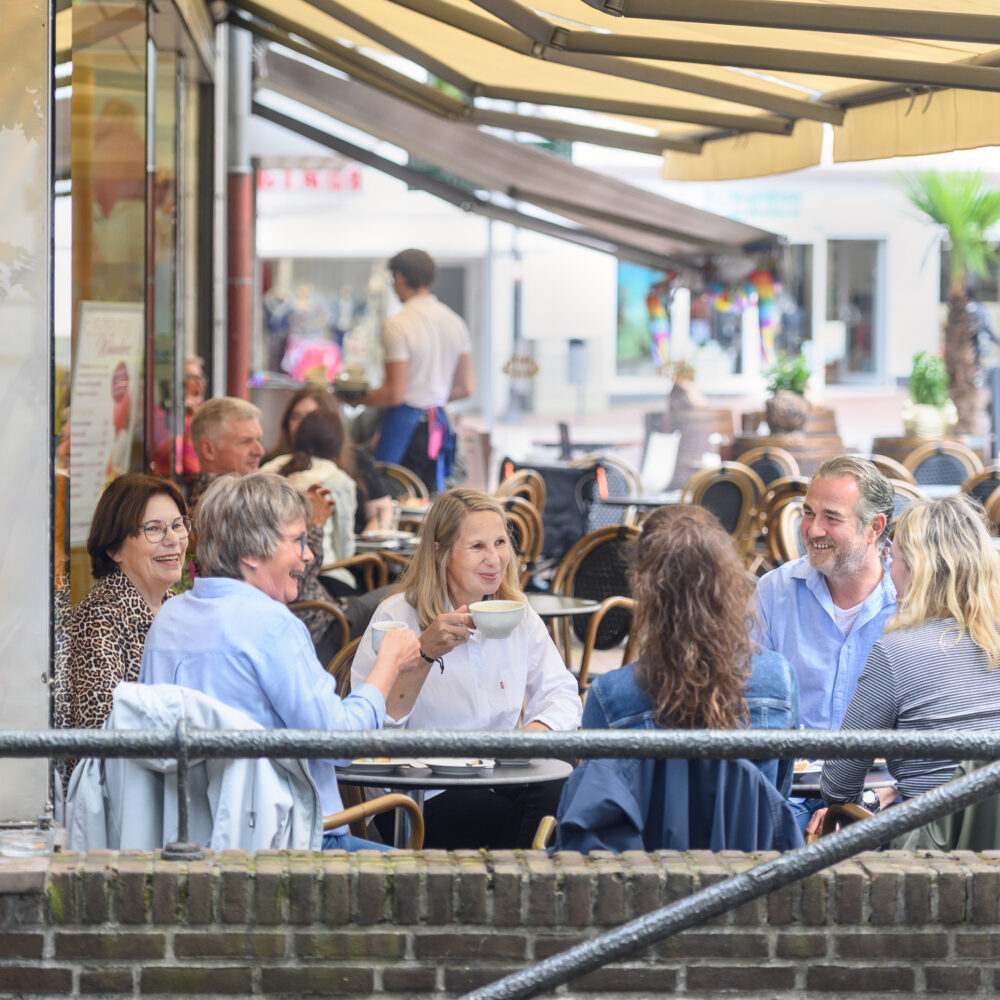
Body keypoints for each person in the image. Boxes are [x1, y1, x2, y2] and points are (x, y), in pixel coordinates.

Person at [139, 472, 421, 851]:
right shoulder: (272, 625)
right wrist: (388, 665)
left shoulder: (169, 618)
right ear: (251, 554)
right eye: (298, 540)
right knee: (435, 881)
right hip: (287, 843)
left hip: (192, 841)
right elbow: (339, 743)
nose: (308, 555)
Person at [351, 488, 581, 849]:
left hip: (499, 775)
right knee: (508, 817)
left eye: (500, 543)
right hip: (419, 789)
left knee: (563, 785)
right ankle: (516, 876)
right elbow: (373, 729)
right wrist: (424, 654)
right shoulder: (398, 617)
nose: (495, 559)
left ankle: (508, 877)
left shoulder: (516, 613)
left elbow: (562, 693)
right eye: (477, 547)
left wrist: (526, 739)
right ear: (440, 553)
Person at [578, 505, 799, 793]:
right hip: (751, 826)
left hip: (647, 827)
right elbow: (778, 798)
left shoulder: (609, 697)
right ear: (728, 579)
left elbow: (598, 804)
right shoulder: (780, 678)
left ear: (640, 584)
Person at [821, 495, 1000, 812]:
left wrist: (881, 796)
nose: (889, 572)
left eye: (894, 559)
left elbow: (837, 785)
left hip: (931, 838)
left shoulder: (896, 652)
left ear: (920, 571)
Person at [751, 455, 896, 831]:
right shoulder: (775, 591)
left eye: (831, 517)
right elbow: (744, 700)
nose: (813, 529)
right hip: (789, 795)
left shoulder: (910, 598)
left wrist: (866, 802)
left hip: (883, 795)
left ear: (874, 527)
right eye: (808, 512)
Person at [53, 475, 190, 786]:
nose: (173, 539)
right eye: (154, 529)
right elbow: (98, 733)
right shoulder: (100, 616)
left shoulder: (174, 605)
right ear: (114, 549)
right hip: (126, 795)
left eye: (177, 525)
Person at [348, 249, 474, 494]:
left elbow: (395, 393)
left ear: (400, 276)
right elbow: (465, 388)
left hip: (405, 428)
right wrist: (431, 394)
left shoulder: (398, 324)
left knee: (389, 493)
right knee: (431, 500)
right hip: (438, 426)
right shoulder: (455, 322)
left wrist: (356, 398)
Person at [267, 384, 392, 533]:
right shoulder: (271, 465)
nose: (302, 425)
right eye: (296, 417)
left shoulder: (356, 460)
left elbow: (382, 511)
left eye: (311, 417)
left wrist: (368, 541)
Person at [260, 409, 359, 581]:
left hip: (268, 571)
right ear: (338, 444)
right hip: (323, 572)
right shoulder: (339, 481)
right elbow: (344, 549)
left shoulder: (267, 472)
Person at [188, 396, 265, 505]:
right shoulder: (218, 508)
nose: (259, 451)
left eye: (259, 440)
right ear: (208, 450)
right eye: (245, 442)